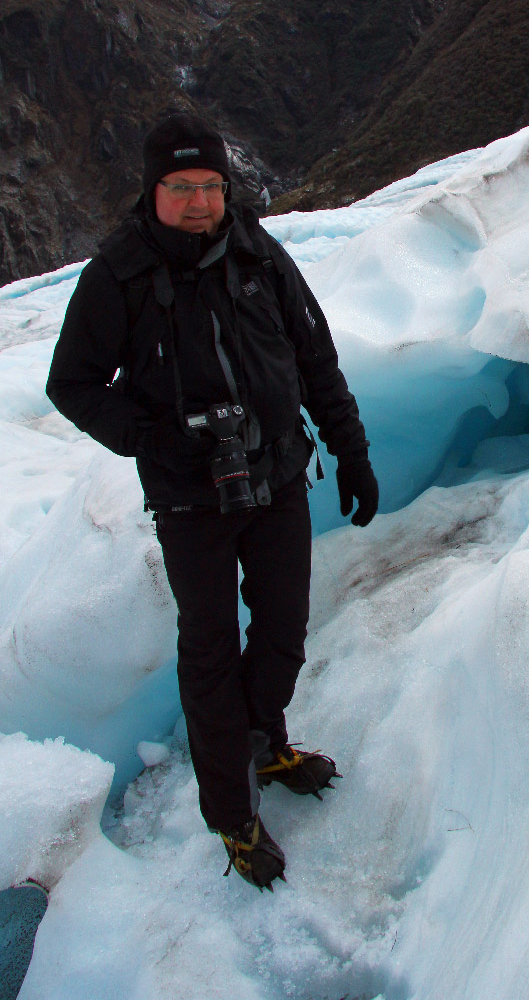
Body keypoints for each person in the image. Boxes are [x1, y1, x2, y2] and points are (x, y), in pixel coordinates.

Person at [46, 113, 379, 892]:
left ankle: (262, 739)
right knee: (208, 650)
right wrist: (154, 438)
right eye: (181, 187)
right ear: (152, 190)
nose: (199, 202)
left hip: (277, 476)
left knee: (285, 633)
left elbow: (314, 358)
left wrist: (350, 450)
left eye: (210, 186)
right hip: (191, 500)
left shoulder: (260, 254)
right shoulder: (119, 276)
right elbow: (73, 385)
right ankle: (231, 811)